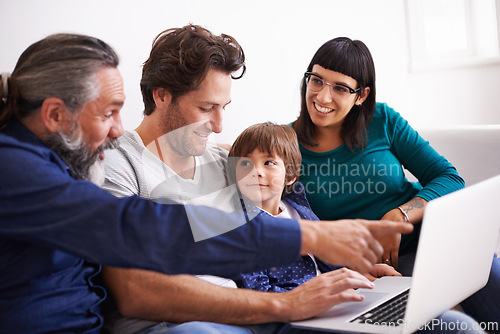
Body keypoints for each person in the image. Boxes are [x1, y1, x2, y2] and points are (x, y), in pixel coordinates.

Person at [0, 32, 414, 334]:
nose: (219, 125)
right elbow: (140, 234)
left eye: (224, 108)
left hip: (267, 307)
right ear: (161, 96)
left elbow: (260, 219)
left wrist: (340, 267)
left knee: (443, 323)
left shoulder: (227, 159)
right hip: (197, 323)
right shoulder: (100, 167)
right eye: (206, 108)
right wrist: (299, 265)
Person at [291, 37, 499, 328]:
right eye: (317, 80)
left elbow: (448, 177)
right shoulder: (285, 144)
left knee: (491, 274)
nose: (323, 97)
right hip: (378, 271)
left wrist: (398, 217)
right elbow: (276, 220)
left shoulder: (382, 119)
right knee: (455, 325)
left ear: (361, 95)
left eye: (340, 88)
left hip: (435, 239)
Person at [228, 121, 485, 334]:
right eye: (246, 163)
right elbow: (258, 293)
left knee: (456, 324)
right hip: (296, 319)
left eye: (268, 163)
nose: (256, 172)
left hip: (335, 304)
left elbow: (325, 261)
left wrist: (360, 270)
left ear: (291, 175)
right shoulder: (240, 226)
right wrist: (313, 297)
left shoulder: (296, 206)